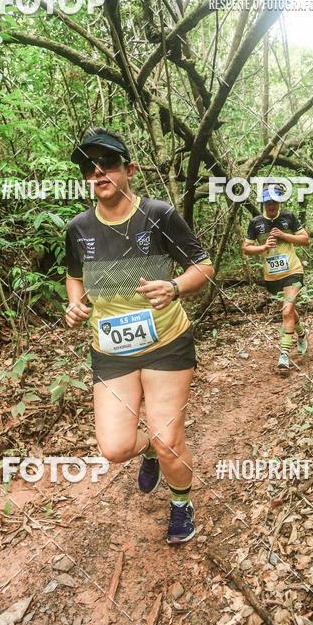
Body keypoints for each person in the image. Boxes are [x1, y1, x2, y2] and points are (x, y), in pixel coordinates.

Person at [64, 128, 214, 544]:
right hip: (111, 350)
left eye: (107, 164)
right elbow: (73, 277)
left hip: (166, 343)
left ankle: (181, 503)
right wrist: (75, 303)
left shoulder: (160, 215)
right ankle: (147, 449)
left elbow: (203, 267)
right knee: (113, 449)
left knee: (170, 440)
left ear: (129, 169)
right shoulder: (78, 228)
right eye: (87, 168)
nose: (97, 173)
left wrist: (176, 287)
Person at [242, 187, 310, 375]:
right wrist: (263, 246)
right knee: (288, 311)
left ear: (279, 202)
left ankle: (284, 355)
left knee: (287, 310)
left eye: (274, 202)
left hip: (293, 271)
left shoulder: (288, 217)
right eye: (268, 202)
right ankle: (302, 333)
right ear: (263, 203)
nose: (271, 205)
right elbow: (246, 248)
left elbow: (305, 239)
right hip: (271, 276)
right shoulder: (256, 223)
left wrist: (284, 235)